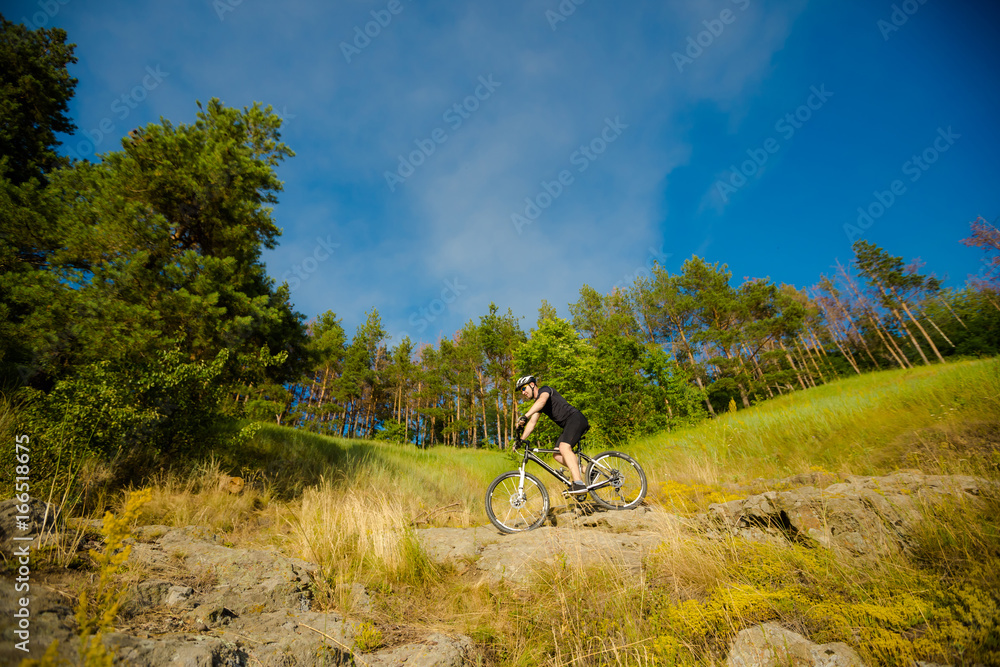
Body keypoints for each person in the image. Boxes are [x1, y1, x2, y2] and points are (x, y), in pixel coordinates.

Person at [514, 375, 590, 495]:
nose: (523, 393)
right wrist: (521, 440)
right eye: (521, 391)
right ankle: (590, 471)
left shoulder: (545, 390)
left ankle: (578, 483)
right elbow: (532, 423)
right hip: (568, 425)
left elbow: (542, 400)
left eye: (523, 389)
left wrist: (525, 415)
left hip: (576, 419)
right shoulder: (538, 405)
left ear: (532, 385)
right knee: (557, 454)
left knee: (564, 447)